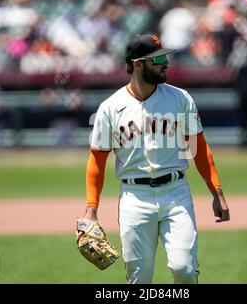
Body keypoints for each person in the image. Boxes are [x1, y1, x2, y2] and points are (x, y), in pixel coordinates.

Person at [77, 34, 230, 284]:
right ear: (137, 64)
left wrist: (217, 191)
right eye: (158, 58)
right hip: (135, 199)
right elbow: (97, 161)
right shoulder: (110, 108)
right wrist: (91, 210)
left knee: (185, 269)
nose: (165, 62)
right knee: (140, 279)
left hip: (176, 193)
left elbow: (199, 149)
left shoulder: (180, 99)